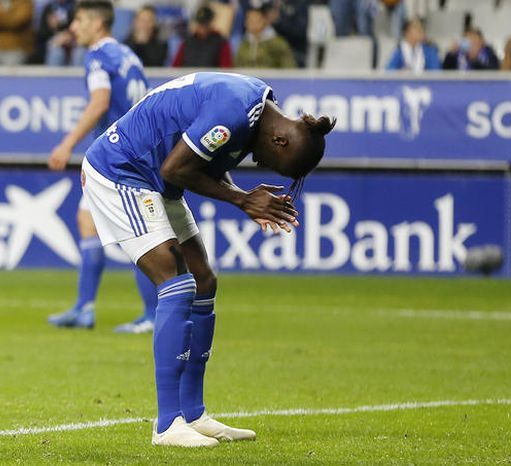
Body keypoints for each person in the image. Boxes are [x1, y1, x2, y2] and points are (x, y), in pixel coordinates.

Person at [80, 71, 335, 447]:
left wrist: (241, 194)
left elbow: (192, 165)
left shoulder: (257, 112)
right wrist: (243, 199)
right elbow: (175, 168)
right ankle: (168, 424)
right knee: (176, 282)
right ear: (280, 139)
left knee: (204, 282)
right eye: (277, 166)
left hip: (156, 182)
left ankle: (194, 414)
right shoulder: (233, 110)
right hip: (121, 171)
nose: (266, 166)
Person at [46, 0, 157, 334]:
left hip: (120, 155)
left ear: (97, 23)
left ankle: (153, 316)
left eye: (78, 20)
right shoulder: (128, 55)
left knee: (137, 233)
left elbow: (100, 102)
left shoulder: (97, 56)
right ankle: (84, 307)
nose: (73, 28)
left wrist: (67, 144)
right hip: (132, 152)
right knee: (87, 221)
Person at [234, 1, 296, 68]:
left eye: (254, 20)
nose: (250, 23)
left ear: (264, 20)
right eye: (248, 20)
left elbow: (289, 68)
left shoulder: (278, 44)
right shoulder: (243, 44)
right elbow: (237, 67)